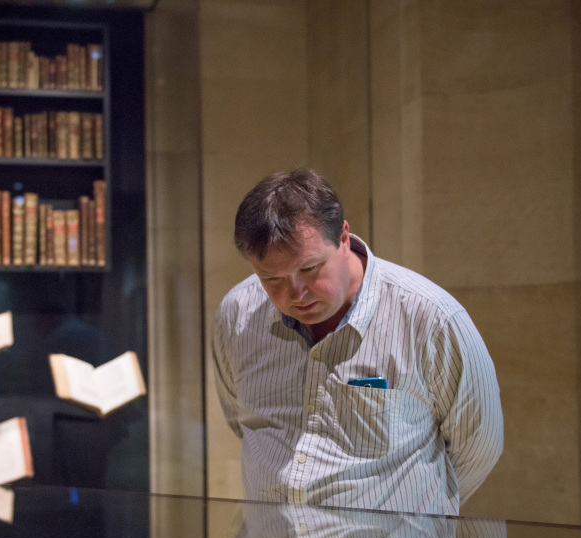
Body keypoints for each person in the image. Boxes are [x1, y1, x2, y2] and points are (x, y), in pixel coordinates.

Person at [212, 168, 503, 515]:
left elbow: (478, 448)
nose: (296, 293)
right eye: (272, 278)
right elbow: (238, 417)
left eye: (310, 269)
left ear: (344, 238)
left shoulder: (431, 319)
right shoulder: (236, 315)